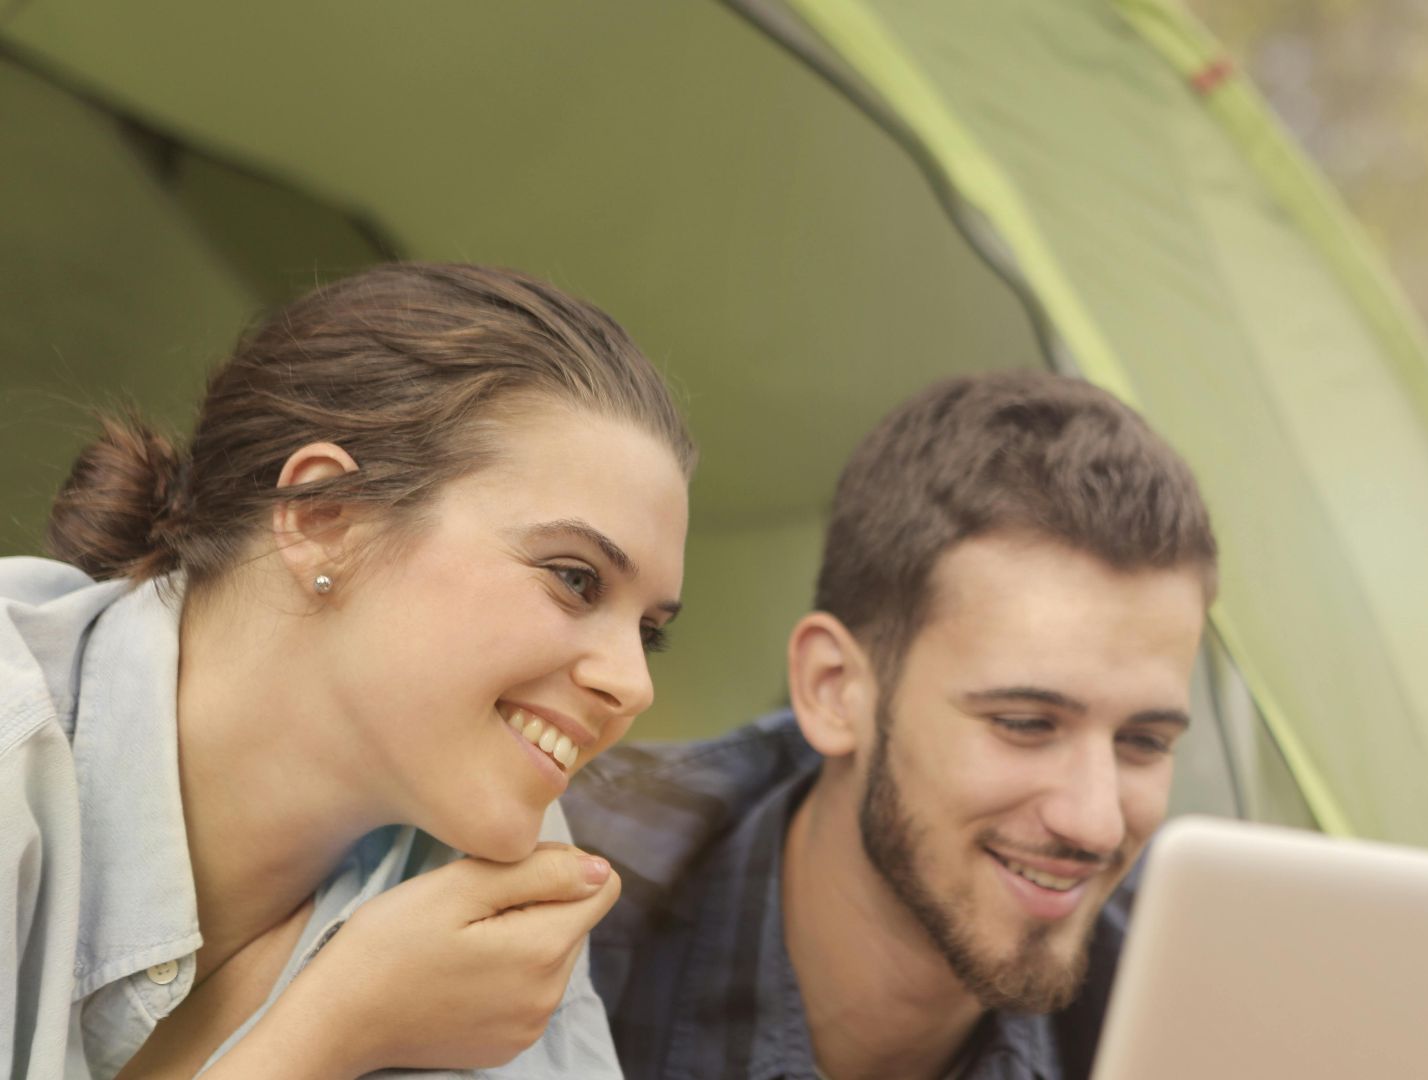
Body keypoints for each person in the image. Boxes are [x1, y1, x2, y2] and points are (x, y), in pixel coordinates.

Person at [1, 263, 693, 1078]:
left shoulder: (492, 894)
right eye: (575, 579)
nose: (633, 686)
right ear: (325, 517)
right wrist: (336, 1026)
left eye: (649, 632)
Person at [565, 371, 1217, 1080]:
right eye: (1027, 723)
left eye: (1144, 742)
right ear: (834, 690)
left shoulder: (1192, 1011)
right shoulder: (562, 906)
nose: (1095, 824)